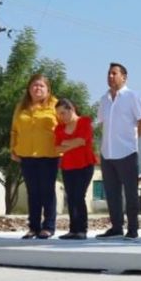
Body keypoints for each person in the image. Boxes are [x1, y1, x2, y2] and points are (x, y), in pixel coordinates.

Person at [95, 62, 141, 240]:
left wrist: (132, 141)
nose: (110, 76)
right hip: (107, 153)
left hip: (127, 152)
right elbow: (101, 123)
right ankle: (116, 227)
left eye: (114, 73)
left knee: (131, 193)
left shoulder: (133, 96)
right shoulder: (104, 99)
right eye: (108, 73)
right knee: (112, 193)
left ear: (124, 77)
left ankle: (132, 229)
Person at [11, 73, 59, 239]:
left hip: (49, 154)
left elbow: (64, 127)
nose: (37, 88)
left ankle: (48, 226)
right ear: (29, 88)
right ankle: (33, 227)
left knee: (47, 191)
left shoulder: (55, 105)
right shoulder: (21, 106)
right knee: (33, 192)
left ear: (48, 89)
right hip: (26, 154)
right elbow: (14, 130)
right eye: (34, 85)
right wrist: (13, 149)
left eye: (41, 86)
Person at [53, 98, 96, 240]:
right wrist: (73, 143)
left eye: (63, 113)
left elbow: (83, 140)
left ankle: (82, 230)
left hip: (85, 164)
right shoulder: (59, 128)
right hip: (67, 165)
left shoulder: (85, 122)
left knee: (79, 196)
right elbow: (57, 147)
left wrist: (66, 143)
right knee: (70, 197)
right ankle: (73, 230)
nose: (61, 117)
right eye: (58, 114)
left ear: (71, 109)